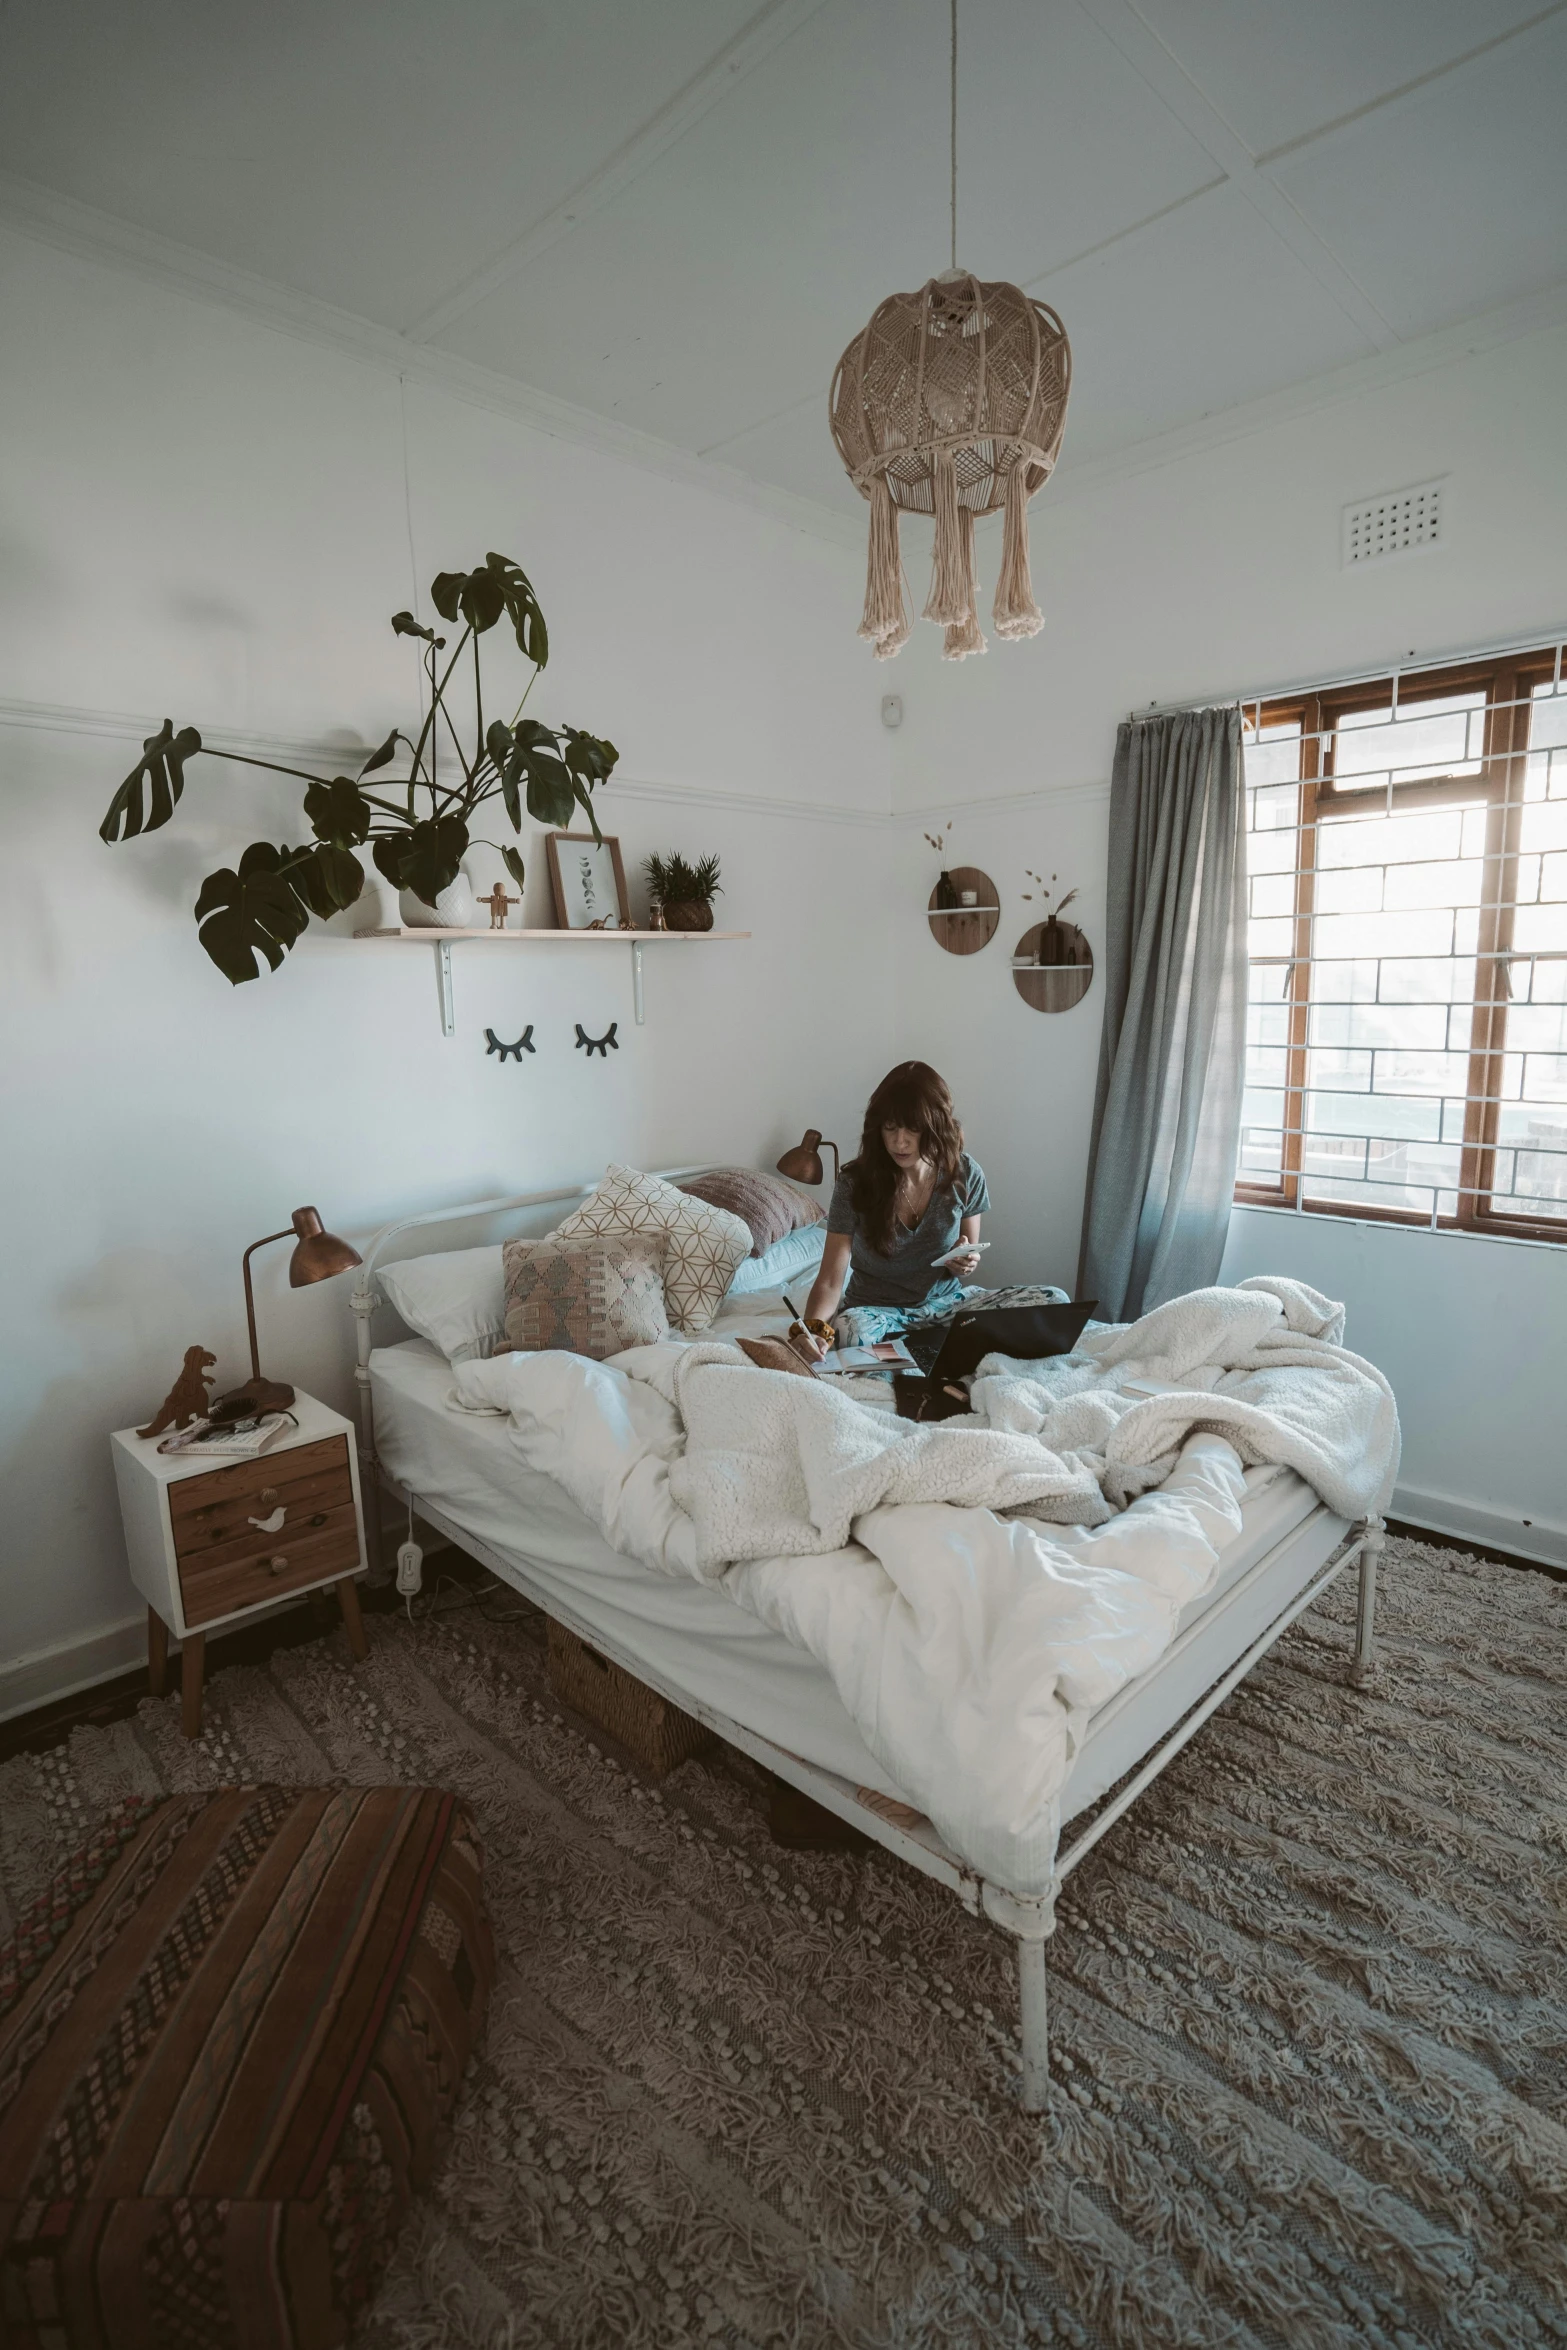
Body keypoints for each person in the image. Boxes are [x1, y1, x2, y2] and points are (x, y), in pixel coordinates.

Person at [790, 1062, 988, 1362]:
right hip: (874, 1313)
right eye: (890, 1127)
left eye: (913, 1128)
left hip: (943, 1305)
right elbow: (831, 1279)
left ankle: (922, 1349)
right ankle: (928, 1353)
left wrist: (964, 1262)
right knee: (849, 1330)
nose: (899, 1141)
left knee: (1051, 1299)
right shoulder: (853, 1184)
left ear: (935, 1126)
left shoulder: (965, 1172)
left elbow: (966, 1253)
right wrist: (812, 1330)